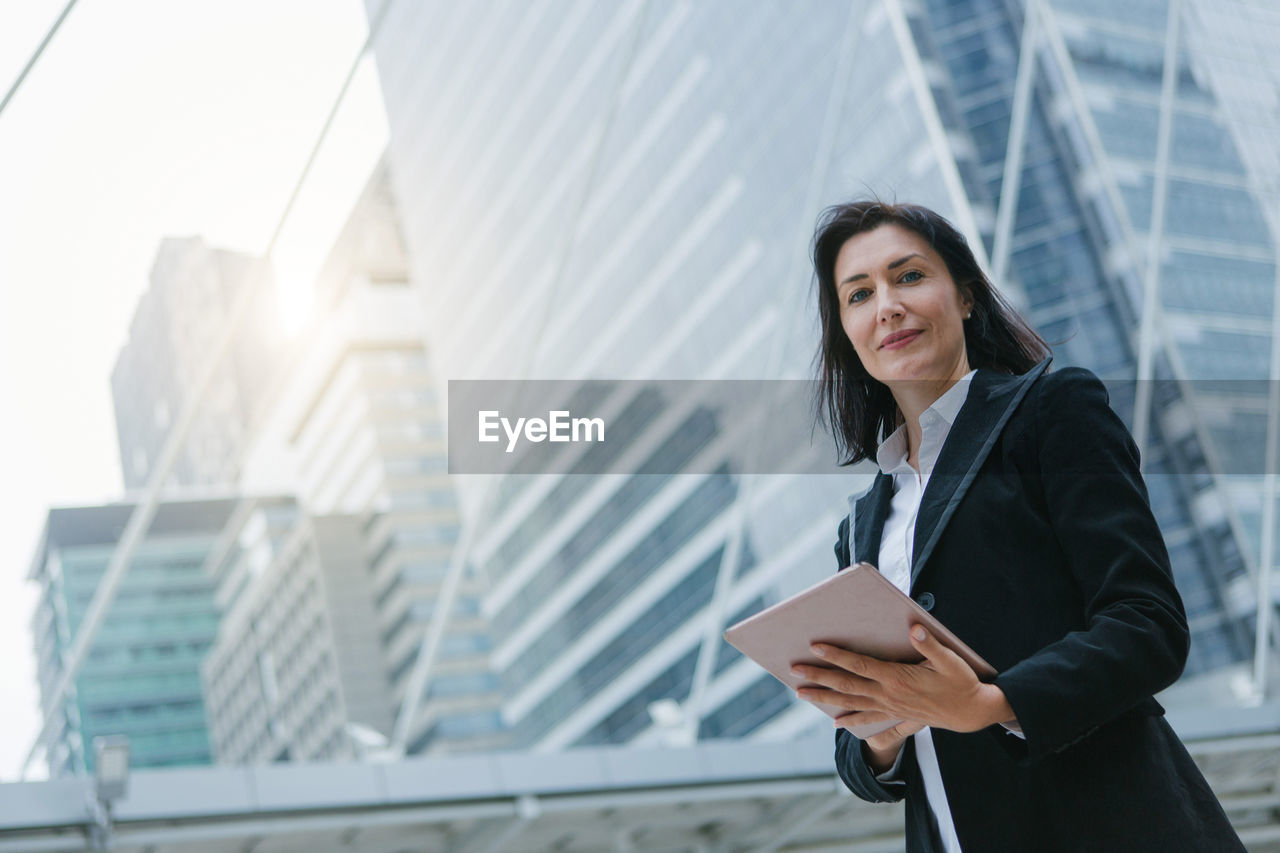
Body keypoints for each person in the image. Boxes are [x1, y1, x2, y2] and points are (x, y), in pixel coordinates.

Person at [797, 199, 1244, 852]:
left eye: (910, 276)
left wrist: (987, 704)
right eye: (859, 294)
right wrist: (881, 729)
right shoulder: (863, 523)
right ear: (847, 331)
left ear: (967, 295)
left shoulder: (1052, 413)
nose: (886, 304)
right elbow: (866, 768)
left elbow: (1147, 623)